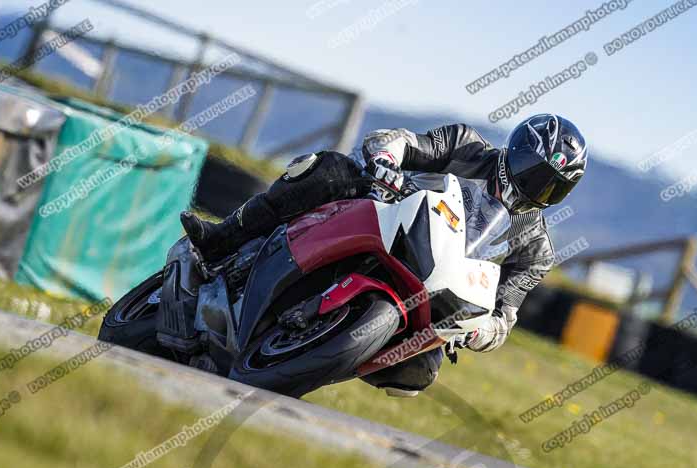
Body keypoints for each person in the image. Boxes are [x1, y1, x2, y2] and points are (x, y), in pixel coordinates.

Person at [181, 113, 588, 397]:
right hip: (389, 214)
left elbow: (506, 315)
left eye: (553, 187)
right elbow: (404, 142)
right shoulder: (466, 146)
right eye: (535, 171)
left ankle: (304, 365)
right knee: (325, 170)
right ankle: (221, 238)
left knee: (418, 373)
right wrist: (387, 161)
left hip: (434, 286)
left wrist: (483, 332)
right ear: (515, 150)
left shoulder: (535, 249)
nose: (539, 188)